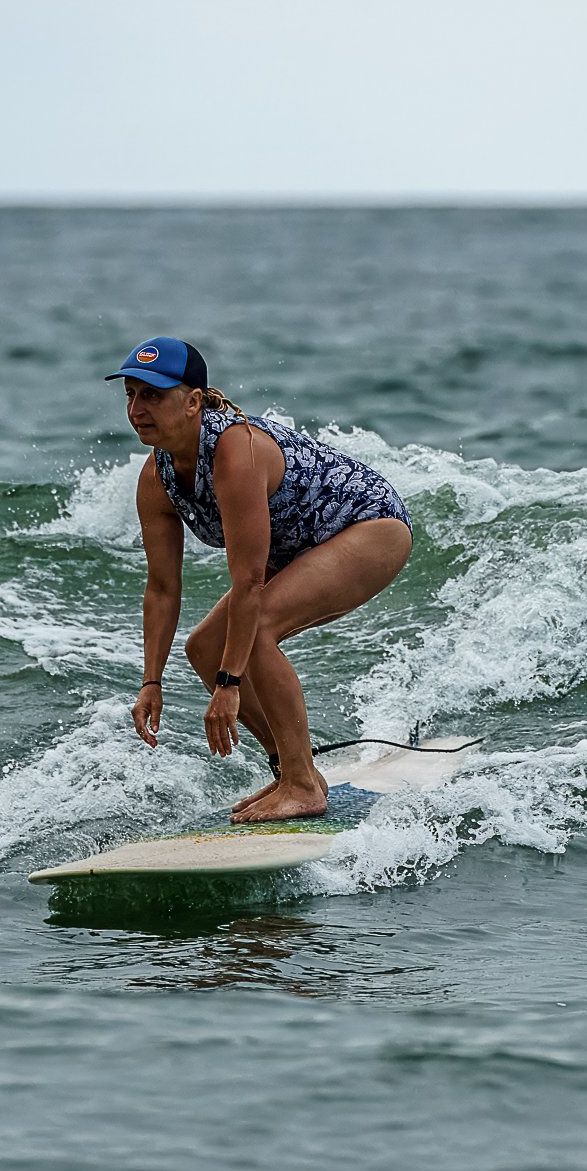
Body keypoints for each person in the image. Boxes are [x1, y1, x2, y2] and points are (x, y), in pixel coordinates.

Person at [108, 336, 414, 823]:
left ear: (191, 402)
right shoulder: (156, 479)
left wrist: (228, 687)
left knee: (257, 629)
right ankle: (298, 772)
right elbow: (162, 588)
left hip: (369, 526)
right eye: (131, 394)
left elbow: (249, 581)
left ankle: (300, 784)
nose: (137, 408)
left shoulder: (234, 449)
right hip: (301, 548)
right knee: (204, 647)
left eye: (153, 395)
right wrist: (151, 681)